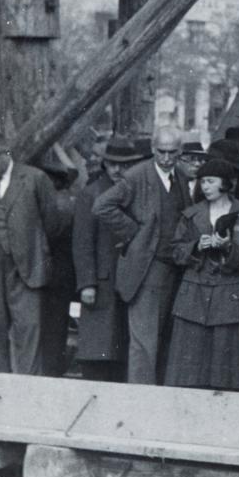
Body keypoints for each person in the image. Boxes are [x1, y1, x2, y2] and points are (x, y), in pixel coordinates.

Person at [94, 124, 190, 384]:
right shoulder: (137, 176)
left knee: (162, 341)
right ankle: (140, 402)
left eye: (173, 152)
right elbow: (102, 206)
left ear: (180, 150)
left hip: (172, 269)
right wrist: (133, 232)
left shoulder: (181, 177)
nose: (167, 158)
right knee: (143, 344)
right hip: (145, 271)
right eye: (161, 152)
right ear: (152, 149)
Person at [0, 131, 61, 375]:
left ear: (7, 154)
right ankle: (0, 391)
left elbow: (53, 224)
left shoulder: (35, 179)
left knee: (29, 331)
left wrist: (31, 249)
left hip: (26, 268)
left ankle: (28, 393)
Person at [164, 157, 239, 390]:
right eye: (202, 182)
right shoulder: (191, 214)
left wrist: (227, 248)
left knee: (225, 371)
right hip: (193, 295)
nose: (205, 187)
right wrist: (196, 246)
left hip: (228, 298)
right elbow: (175, 252)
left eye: (211, 181)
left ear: (225, 183)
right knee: (188, 368)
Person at [73, 134, 139, 382]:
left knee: (121, 344)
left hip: (128, 278)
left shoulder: (134, 190)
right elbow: (82, 243)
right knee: (98, 345)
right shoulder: (91, 194)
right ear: (104, 164)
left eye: (123, 164)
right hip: (101, 282)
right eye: (112, 164)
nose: (117, 169)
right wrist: (86, 283)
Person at [37, 156, 80, 378]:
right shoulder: (68, 200)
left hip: (53, 275)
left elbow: (48, 237)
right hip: (63, 273)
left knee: (51, 327)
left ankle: (49, 372)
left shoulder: (57, 204)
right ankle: (52, 369)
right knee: (56, 326)